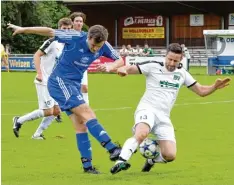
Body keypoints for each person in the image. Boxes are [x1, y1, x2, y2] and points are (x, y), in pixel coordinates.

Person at [8, 22, 124, 174]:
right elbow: (49, 31)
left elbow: (120, 60)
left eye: (98, 46)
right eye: (93, 45)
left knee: (80, 124)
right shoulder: (75, 36)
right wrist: (24, 29)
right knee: (87, 112)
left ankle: (87, 167)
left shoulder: (103, 45)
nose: (95, 49)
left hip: (73, 85)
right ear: (88, 37)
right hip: (59, 82)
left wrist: (110, 67)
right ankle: (112, 148)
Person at [110, 43, 231, 174]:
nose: (172, 63)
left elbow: (201, 91)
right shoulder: (153, 65)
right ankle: (121, 161)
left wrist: (214, 87)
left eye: (175, 60)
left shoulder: (182, 74)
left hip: (164, 116)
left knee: (170, 155)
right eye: (170, 59)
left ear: (181, 59)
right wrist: (123, 70)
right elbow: (130, 68)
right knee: (141, 133)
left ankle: (151, 161)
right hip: (147, 109)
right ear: (165, 56)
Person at [12, 18, 73, 139]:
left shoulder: (67, 45)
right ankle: (19, 120)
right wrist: (39, 73)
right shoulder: (52, 41)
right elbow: (37, 55)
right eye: (63, 28)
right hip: (44, 80)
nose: (66, 31)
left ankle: (37, 134)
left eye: (68, 29)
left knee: (56, 111)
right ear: (59, 28)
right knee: (49, 111)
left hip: (55, 82)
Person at [70, 12, 90, 105]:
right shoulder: (67, 35)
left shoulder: (86, 36)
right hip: (68, 66)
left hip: (82, 66)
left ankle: (86, 108)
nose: (79, 23)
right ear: (72, 22)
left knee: (84, 88)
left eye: (81, 21)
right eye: (77, 21)